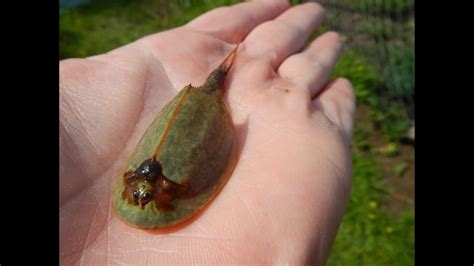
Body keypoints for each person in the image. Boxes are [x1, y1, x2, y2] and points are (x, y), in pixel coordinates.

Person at [60, 0, 355, 264]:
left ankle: (231, 61)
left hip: (199, 112)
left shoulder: (161, 190)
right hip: (192, 112)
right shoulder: (142, 189)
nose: (138, 200)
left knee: (217, 81)